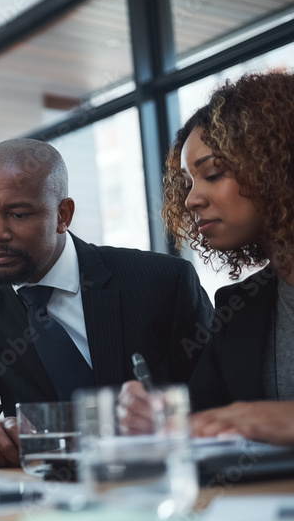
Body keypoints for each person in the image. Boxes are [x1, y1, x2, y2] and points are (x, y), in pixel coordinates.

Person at [0, 138, 213, 467]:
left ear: (62, 215)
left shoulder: (162, 281)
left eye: (18, 214)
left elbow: (220, 394)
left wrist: (166, 417)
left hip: (165, 479)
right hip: (45, 497)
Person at [123, 71, 294, 446]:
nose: (191, 200)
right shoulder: (240, 307)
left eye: (213, 173)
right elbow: (208, 420)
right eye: (187, 183)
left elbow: (251, 421)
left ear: (278, 165)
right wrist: (162, 420)